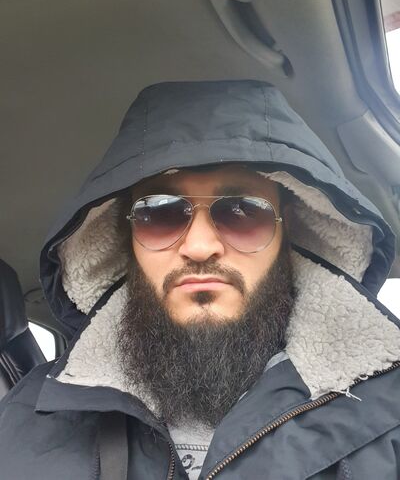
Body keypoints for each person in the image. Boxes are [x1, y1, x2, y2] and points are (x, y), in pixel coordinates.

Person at [1, 80, 400, 480]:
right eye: (160, 212)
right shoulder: (25, 418)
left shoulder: (391, 410)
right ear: (126, 240)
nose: (200, 246)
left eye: (243, 211)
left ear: (286, 234)